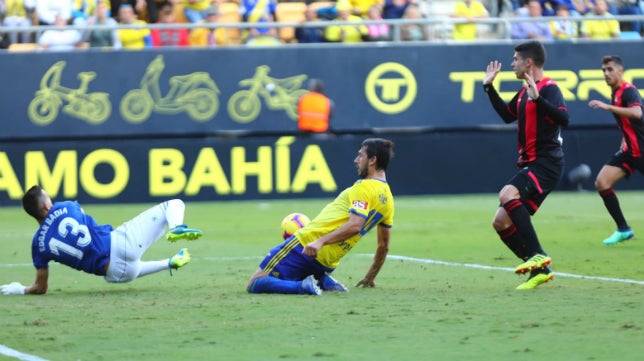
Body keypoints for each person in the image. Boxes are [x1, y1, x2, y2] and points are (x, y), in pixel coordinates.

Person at [247, 138, 395, 295]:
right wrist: (370, 277)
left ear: (372, 160)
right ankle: (321, 279)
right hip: (328, 262)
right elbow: (383, 246)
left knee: (256, 283)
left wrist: (319, 242)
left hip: (307, 245)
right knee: (286, 276)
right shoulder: (388, 200)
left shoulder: (363, 187)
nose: (356, 160)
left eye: (360, 156)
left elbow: (355, 225)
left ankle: (303, 287)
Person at [0, 186, 202, 295]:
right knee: (173, 205)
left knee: (131, 267)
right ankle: (176, 228)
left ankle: (170, 263)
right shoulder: (67, 206)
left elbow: (41, 287)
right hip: (120, 244)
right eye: (48, 198)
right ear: (46, 207)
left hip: (116, 274)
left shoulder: (38, 245)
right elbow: (83, 219)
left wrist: (20, 289)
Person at [482, 40, 569, 290]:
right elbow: (507, 115)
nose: (512, 64)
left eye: (515, 59)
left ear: (528, 62)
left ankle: (538, 253)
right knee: (501, 222)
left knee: (507, 194)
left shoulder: (549, 89)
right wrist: (489, 88)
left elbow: (564, 118)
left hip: (547, 162)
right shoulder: (523, 92)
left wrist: (539, 99)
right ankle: (540, 269)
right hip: (533, 164)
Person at [588, 55, 643, 245]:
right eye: (603, 70)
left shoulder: (628, 91)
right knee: (602, 182)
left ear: (620, 71)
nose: (606, 73)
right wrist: (624, 140)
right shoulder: (616, 92)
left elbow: (637, 113)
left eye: (610, 69)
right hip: (630, 151)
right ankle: (624, 229)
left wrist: (607, 107)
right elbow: (629, 123)